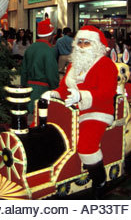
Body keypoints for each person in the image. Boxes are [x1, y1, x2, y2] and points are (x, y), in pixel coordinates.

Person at [43, 25, 118, 198]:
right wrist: (54, 93)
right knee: (47, 129)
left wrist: (82, 96)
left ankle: (100, 181)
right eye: (80, 42)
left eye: (87, 43)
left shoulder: (106, 64)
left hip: (97, 111)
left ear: (97, 46)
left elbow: (107, 93)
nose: (82, 46)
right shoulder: (73, 65)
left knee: (86, 146)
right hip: (71, 110)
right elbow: (64, 88)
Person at [21, 18, 59, 114]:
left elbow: (23, 71)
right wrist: (56, 89)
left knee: (30, 117)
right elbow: (52, 74)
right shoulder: (49, 50)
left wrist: (24, 88)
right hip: (43, 90)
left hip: (29, 89)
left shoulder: (30, 48)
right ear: (50, 35)